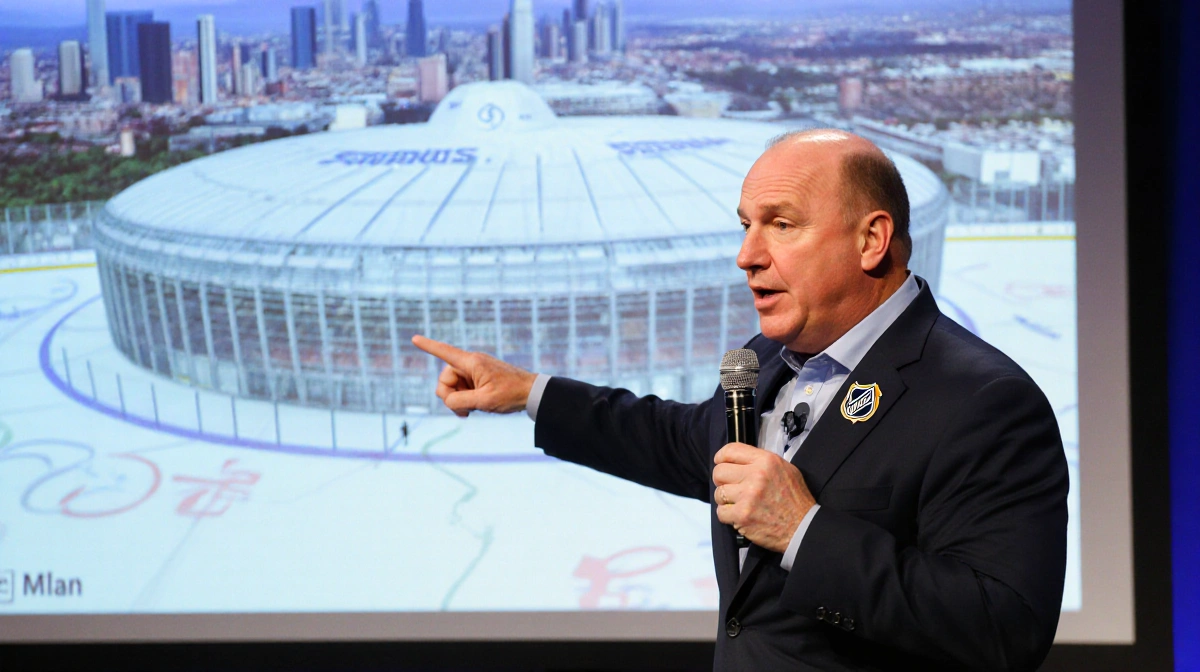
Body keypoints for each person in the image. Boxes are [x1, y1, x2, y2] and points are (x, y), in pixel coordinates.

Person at [412, 130, 1068, 671]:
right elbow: (683, 442)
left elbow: (1002, 631)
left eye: (781, 225)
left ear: (870, 241)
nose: (746, 255)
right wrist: (530, 393)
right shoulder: (766, 359)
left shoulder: (984, 401)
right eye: (747, 225)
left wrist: (804, 533)